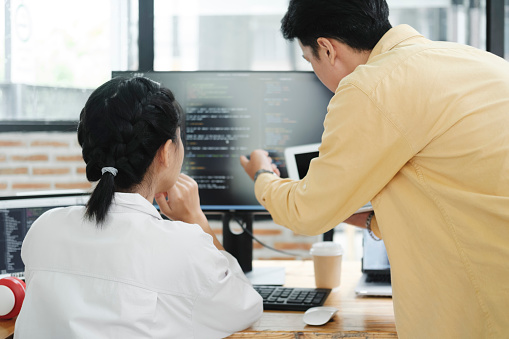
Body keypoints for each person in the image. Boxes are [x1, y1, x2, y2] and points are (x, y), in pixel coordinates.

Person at [240, 0, 509, 337]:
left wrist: (263, 175)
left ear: (327, 48)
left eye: (310, 61)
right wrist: (369, 220)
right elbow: (463, 194)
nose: (315, 73)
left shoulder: (371, 87)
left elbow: (306, 212)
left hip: (481, 315)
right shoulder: (477, 62)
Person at [15, 76, 263, 339]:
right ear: (166, 152)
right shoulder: (183, 247)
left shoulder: (44, 228)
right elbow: (246, 306)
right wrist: (195, 219)